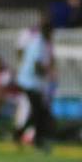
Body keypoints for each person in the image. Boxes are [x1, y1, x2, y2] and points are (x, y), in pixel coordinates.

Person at [13, 22, 55, 152]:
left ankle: (22, 135)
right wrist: (47, 73)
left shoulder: (39, 43)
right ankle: (34, 139)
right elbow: (37, 65)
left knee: (37, 111)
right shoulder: (39, 45)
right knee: (38, 111)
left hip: (32, 82)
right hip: (29, 82)